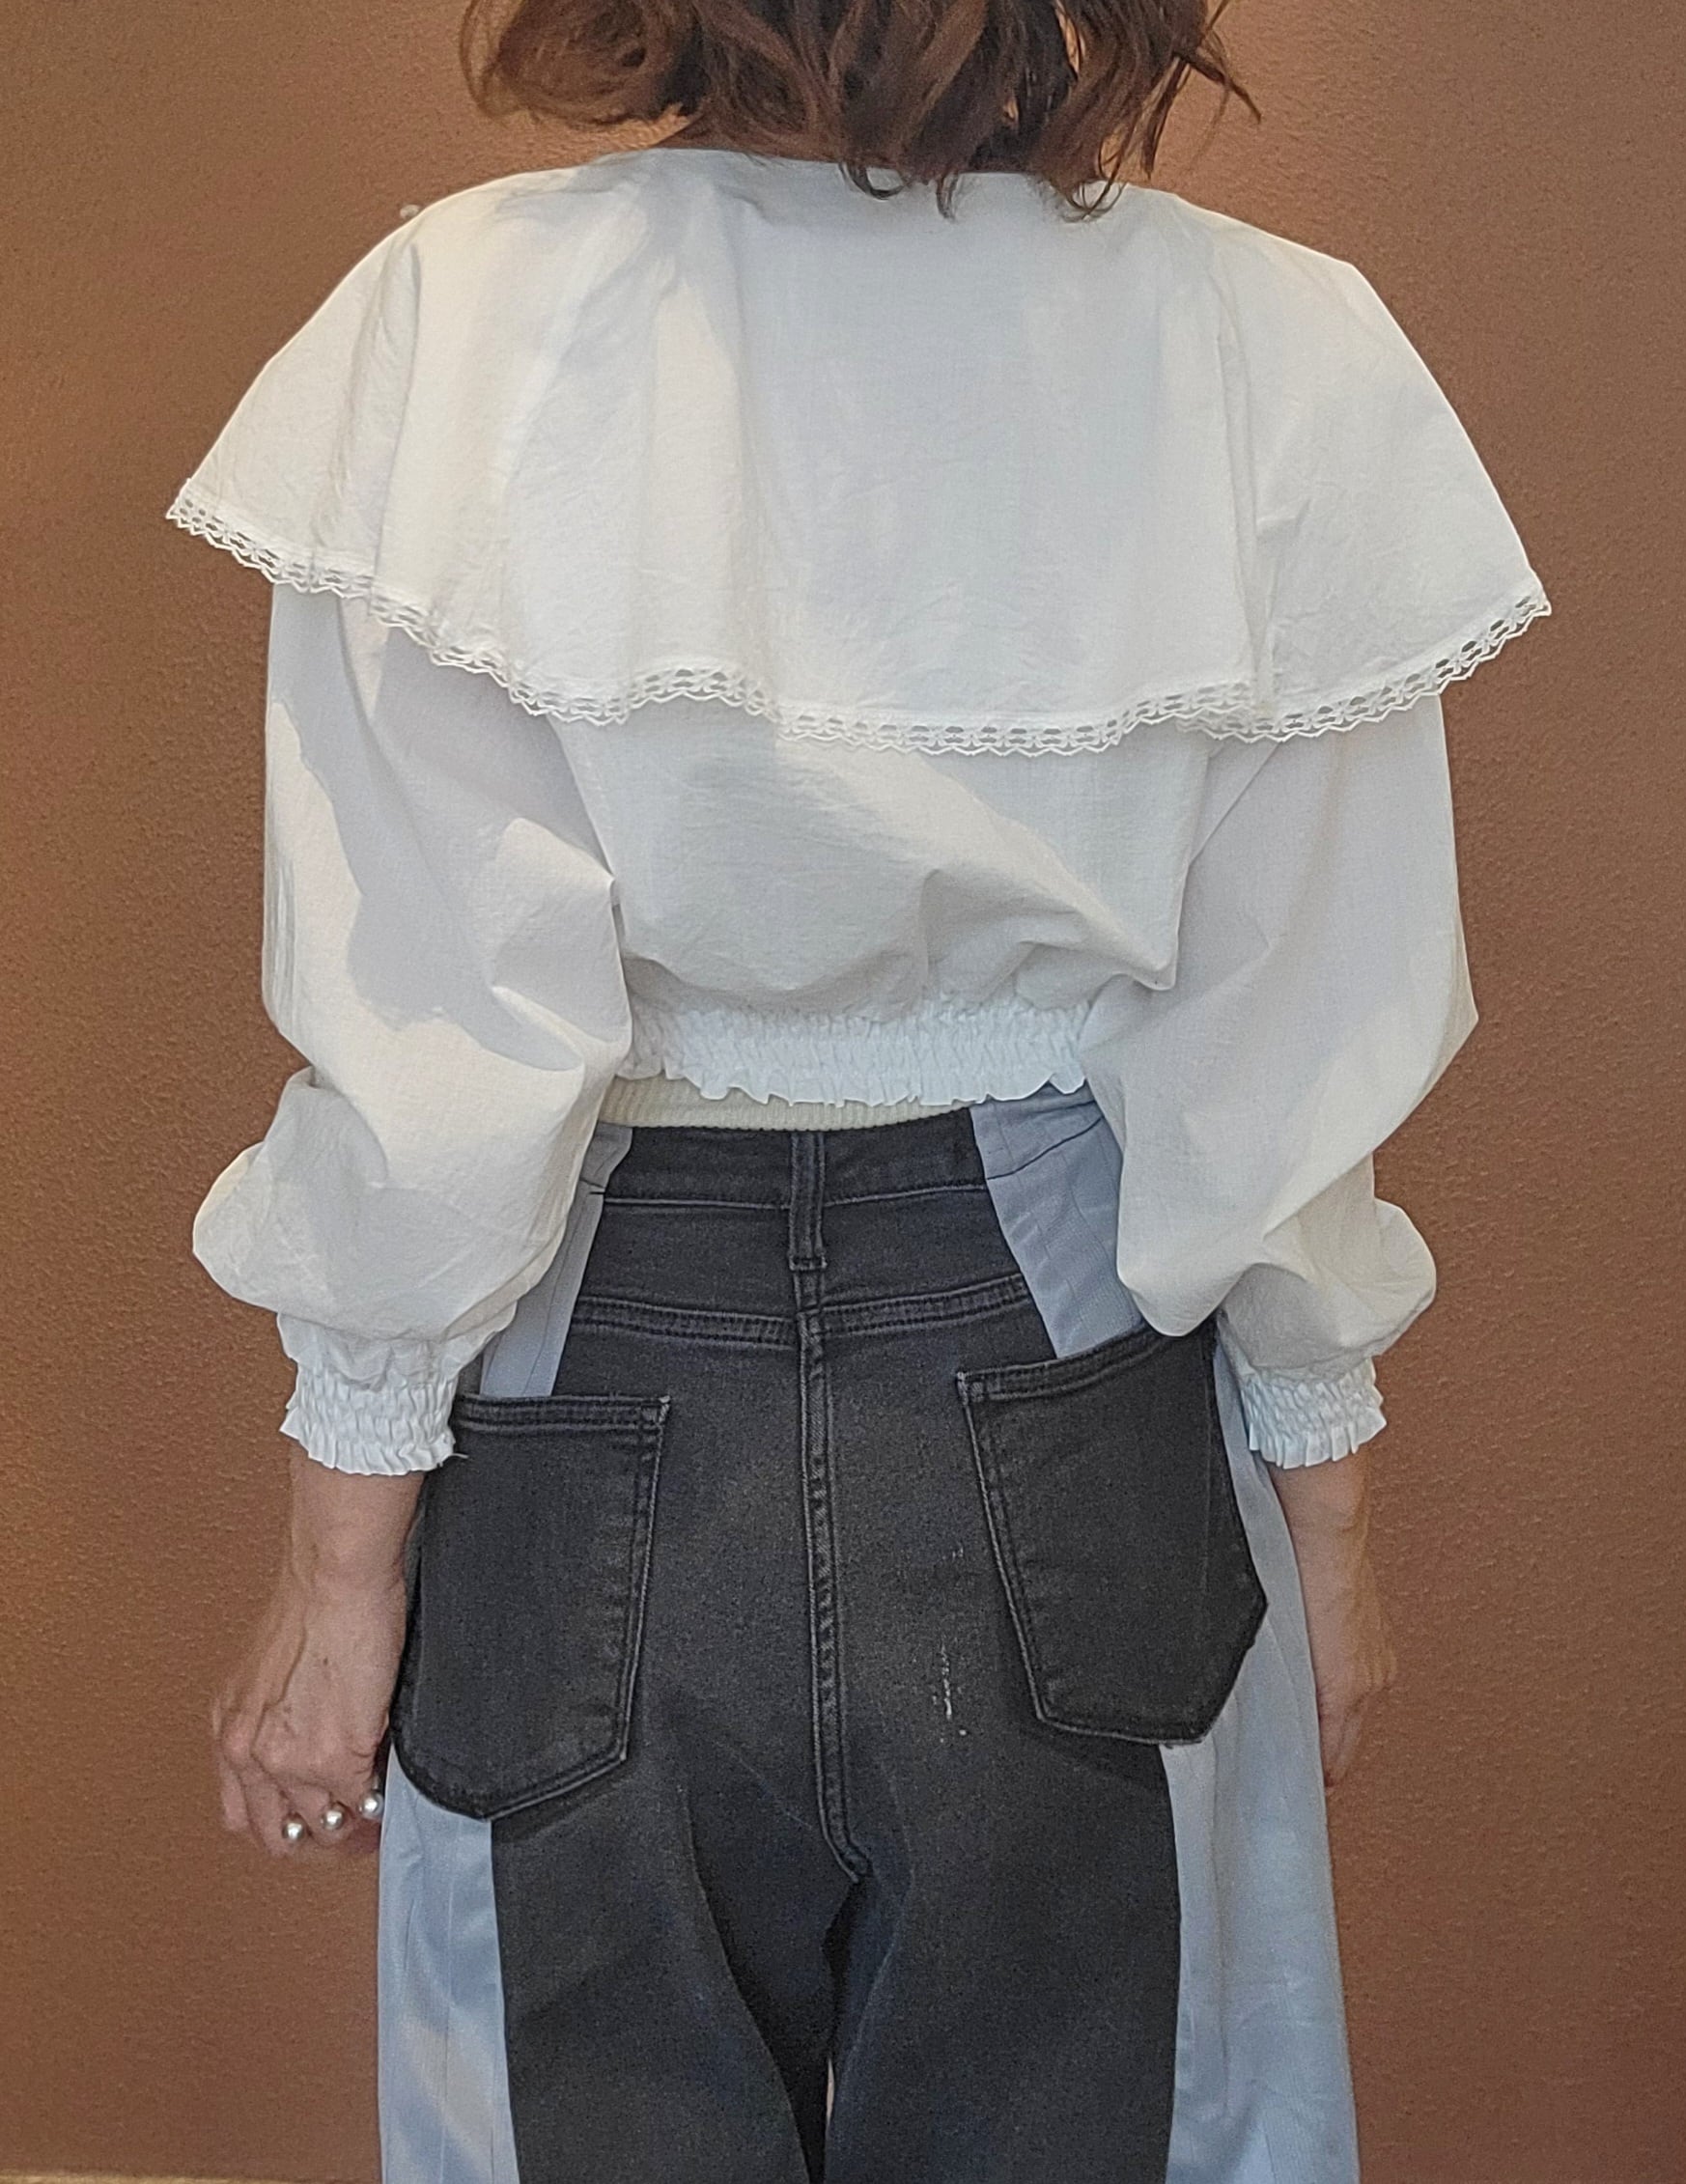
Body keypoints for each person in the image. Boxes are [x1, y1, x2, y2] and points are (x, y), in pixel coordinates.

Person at [166, 2, 1550, 2176]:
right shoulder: (1266, 346)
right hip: (1062, 1352)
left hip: (588, 1372)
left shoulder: (462, 321)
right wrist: (1328, 1532)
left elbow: (434, 1044)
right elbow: (1290, 1039)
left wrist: (339, 1578)